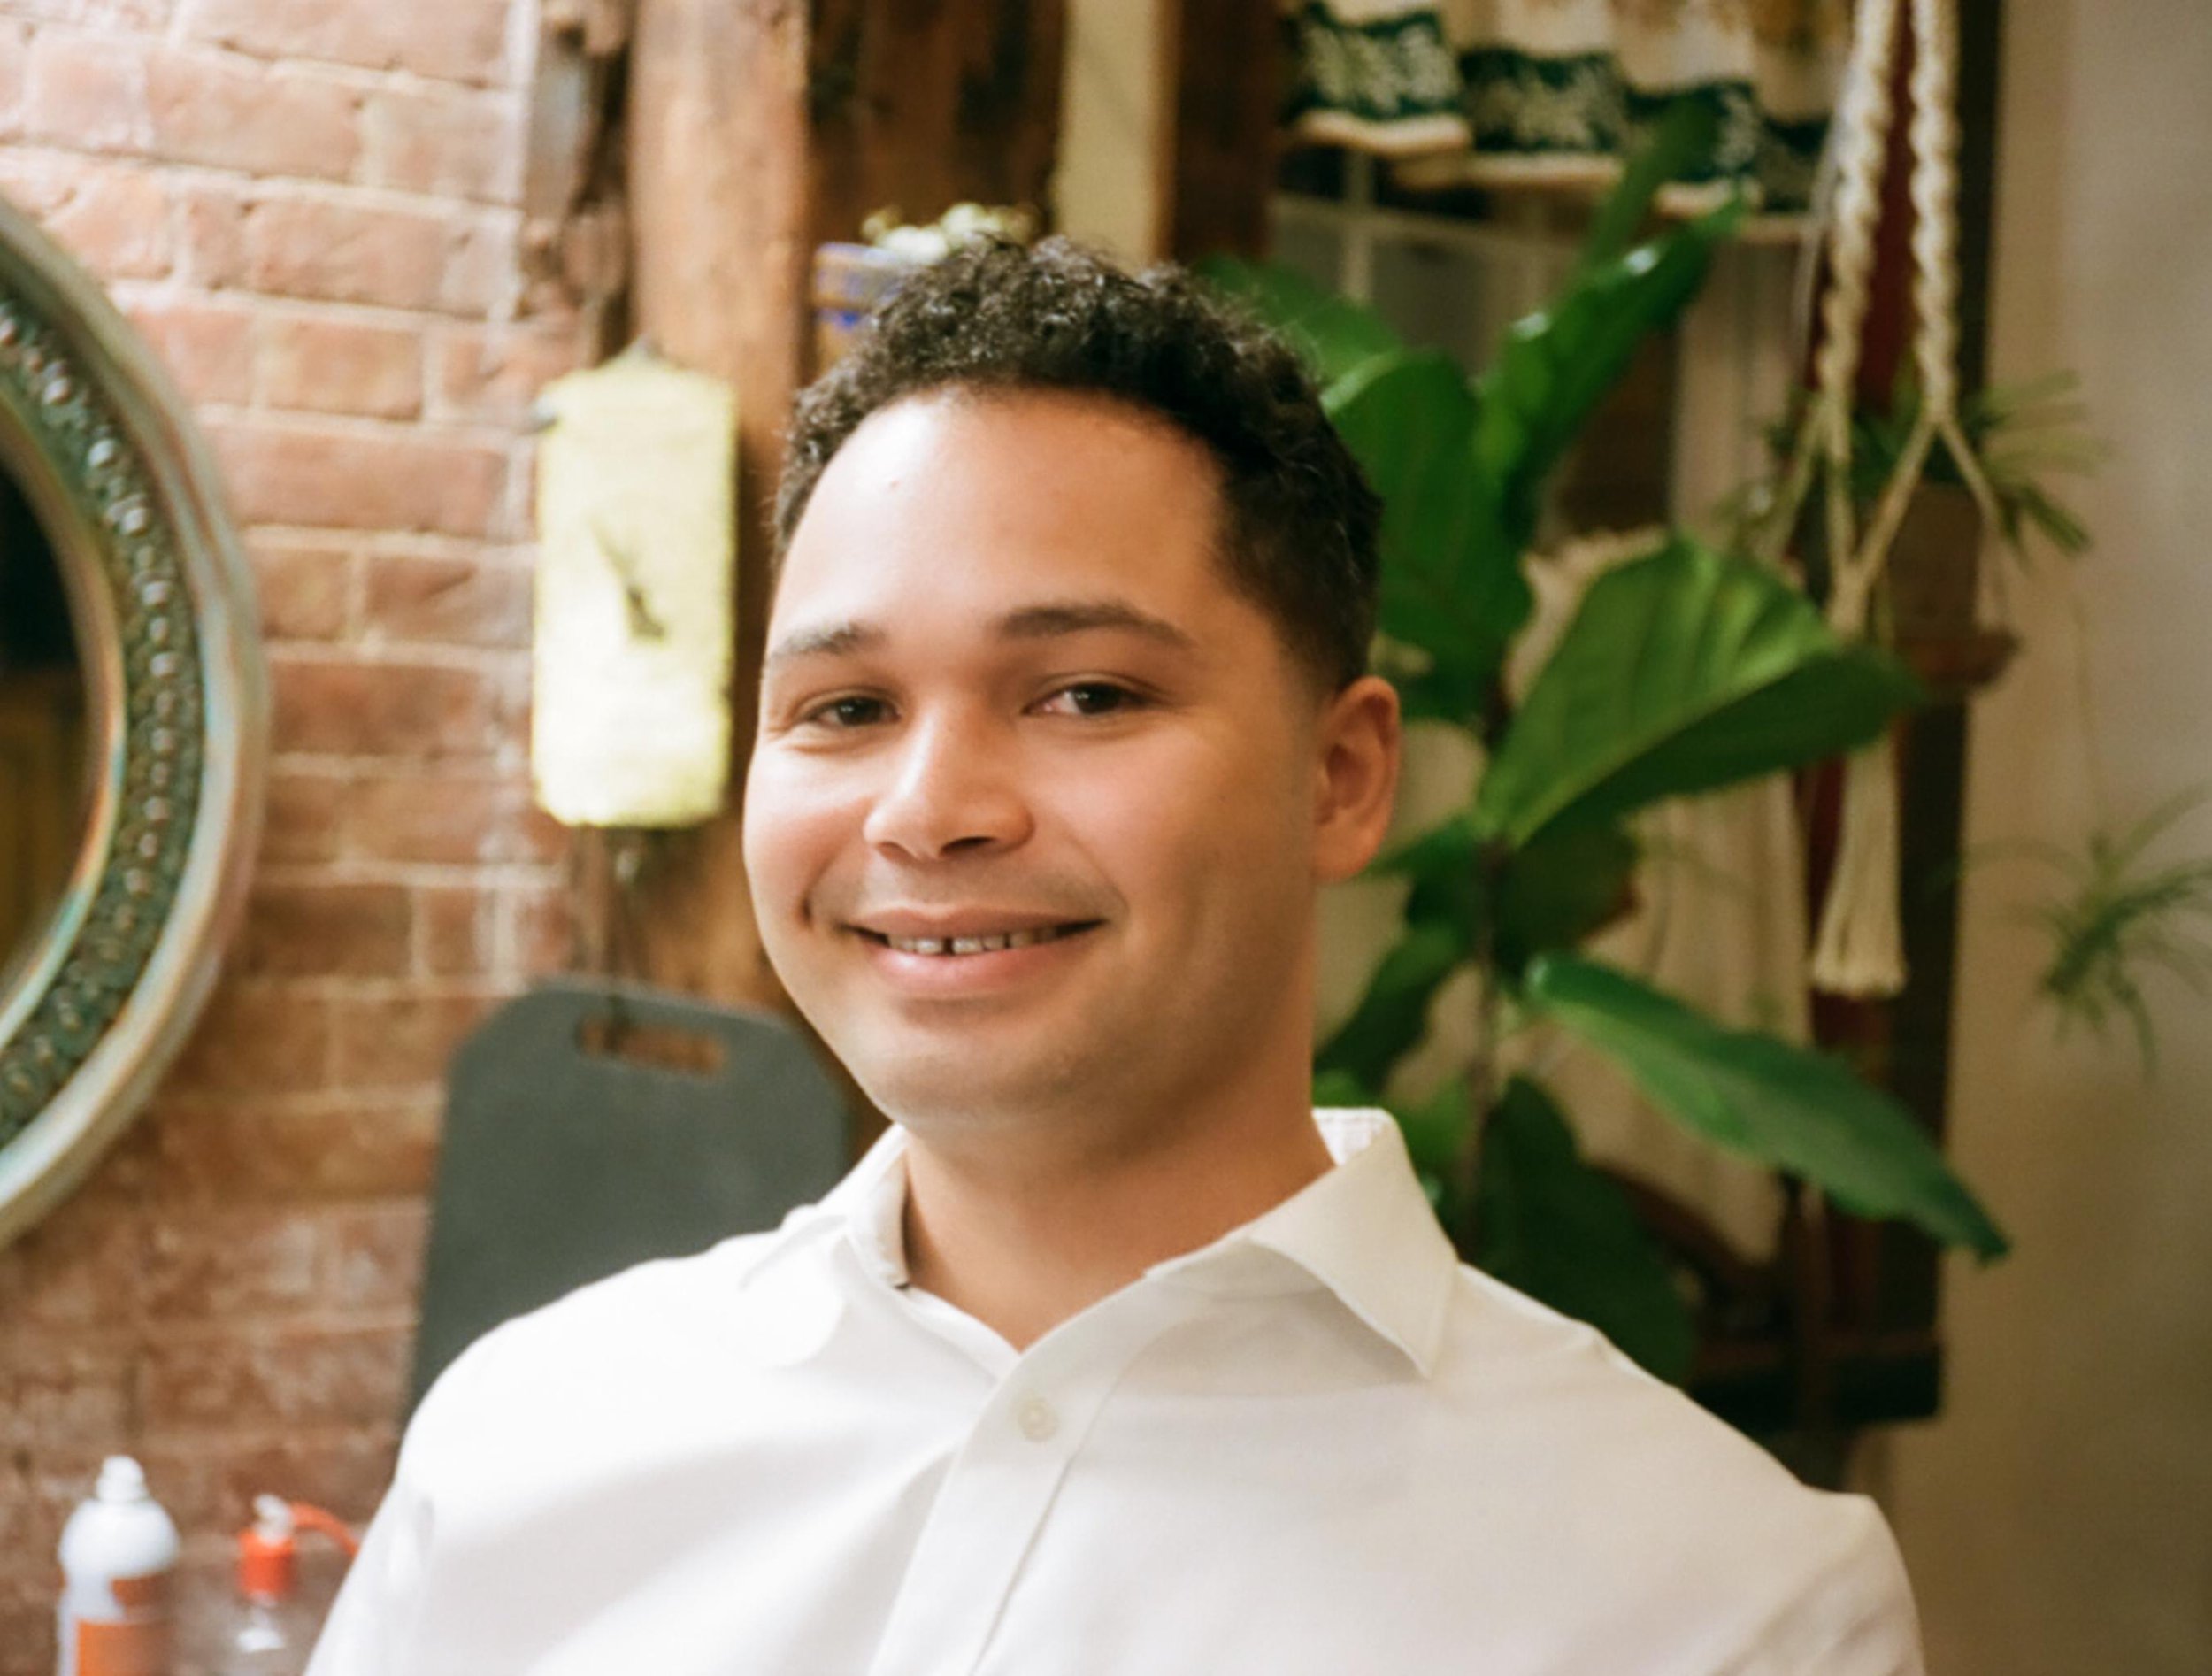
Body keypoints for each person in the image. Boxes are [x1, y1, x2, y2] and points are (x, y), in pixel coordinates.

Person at [306, 239, 1924, 1674]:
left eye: (1085, 693)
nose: (928, 811)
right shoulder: (531, 1442)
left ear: (1343, 775)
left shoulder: (1724, 1605)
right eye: (845, 709)